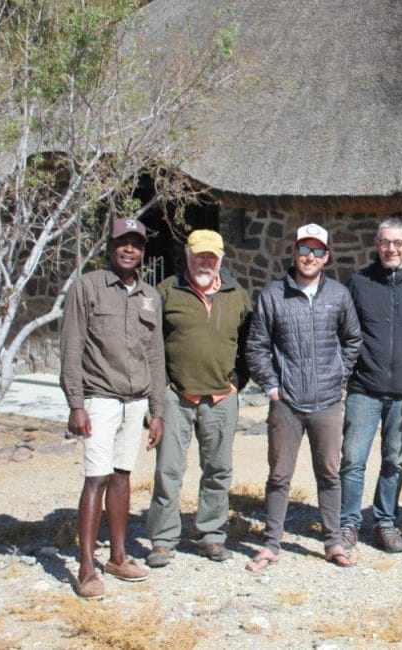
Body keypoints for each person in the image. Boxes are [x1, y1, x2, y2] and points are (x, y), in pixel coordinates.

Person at [245, 223, 362, 571]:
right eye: (304, 250)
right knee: (280, 475)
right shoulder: (272, 295)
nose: (309, 257)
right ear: (294, 252)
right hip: (287, 402)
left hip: (327, 400)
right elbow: (257, 345)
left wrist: (339, 377)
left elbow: (353, 339)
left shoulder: (339, 295)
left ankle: (332, 542)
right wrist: (270, 385)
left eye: (317, 251)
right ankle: (271, 544)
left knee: (329, 473)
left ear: (326, 256)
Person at [60, 217, 165, 599]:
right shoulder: (87, 287)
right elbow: (72, 347)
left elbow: (155, 357)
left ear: (142, 250)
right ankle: (87, 568)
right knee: (96, 477)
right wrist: (76, 404)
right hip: (99, 399)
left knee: (122, 475)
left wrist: (157, 411)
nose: (130, 249)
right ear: (111, 245)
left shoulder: (150, 296)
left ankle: (118, 557)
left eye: (136, 243)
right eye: (124, 242)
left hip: (136, 401)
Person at [145, 229, 252, 567]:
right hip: (177, 395)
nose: (206, 262)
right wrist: (157, 395)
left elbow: (250, 341)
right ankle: (163, 540)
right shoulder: (166, 292)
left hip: (221, 398)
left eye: (212, 257)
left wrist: (240, 379)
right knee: (168, 470)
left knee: (218, 470)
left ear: (221, 259)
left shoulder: (237, 295)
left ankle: (211, 535)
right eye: (199, 256)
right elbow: (151, 346)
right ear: (188, 257)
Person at [339, 218, 402, 553]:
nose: (390, 249)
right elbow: (343, 329)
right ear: (376, 244)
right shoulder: (359, 282)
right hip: (364, 388)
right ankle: (349, 522)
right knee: (352, 459)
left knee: (394, 460)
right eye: (384, 242)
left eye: (397, 243)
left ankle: (385, 522)